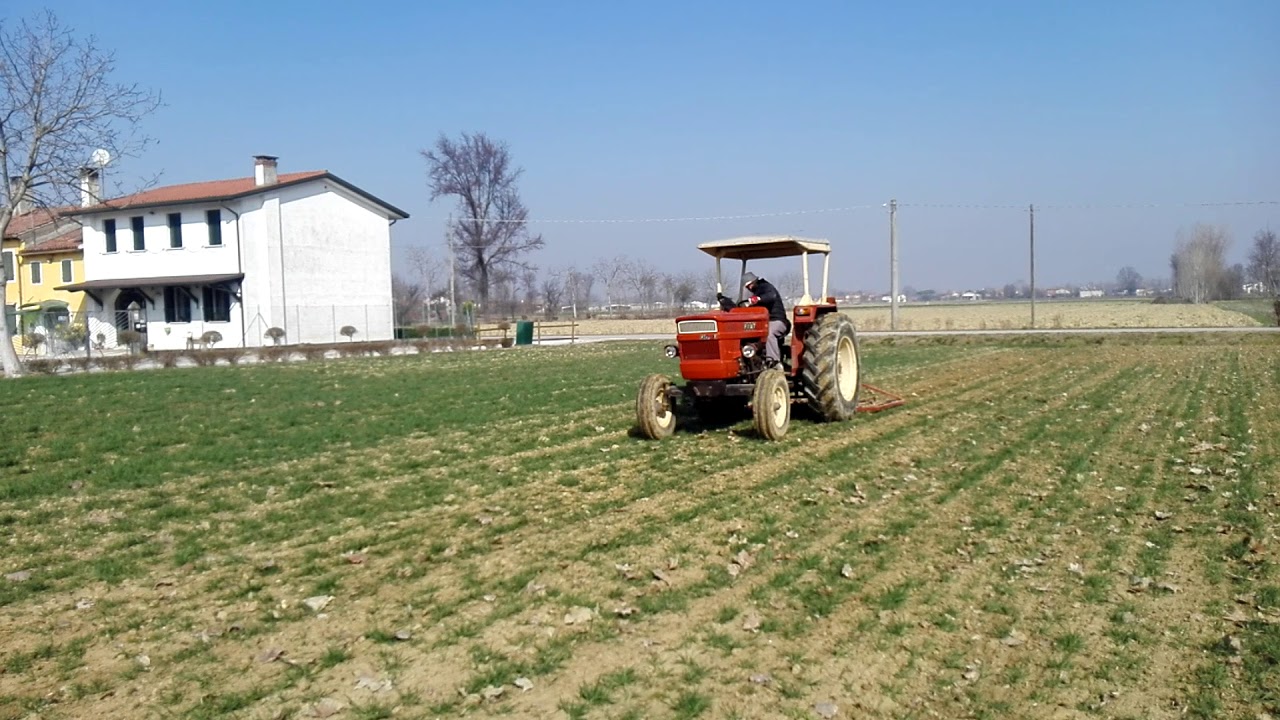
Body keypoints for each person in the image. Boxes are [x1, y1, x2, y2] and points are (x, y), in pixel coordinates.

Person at [740, 272, 790, 367]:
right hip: (762, 322)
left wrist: (758, 299)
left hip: (776, 320)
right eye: (747, 287)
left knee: (769, 333)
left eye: (750, 285)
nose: (749, 288)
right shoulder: (755, 292)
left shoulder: (765, 287)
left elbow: (771, 296)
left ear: (754, 282)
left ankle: (774, 362)